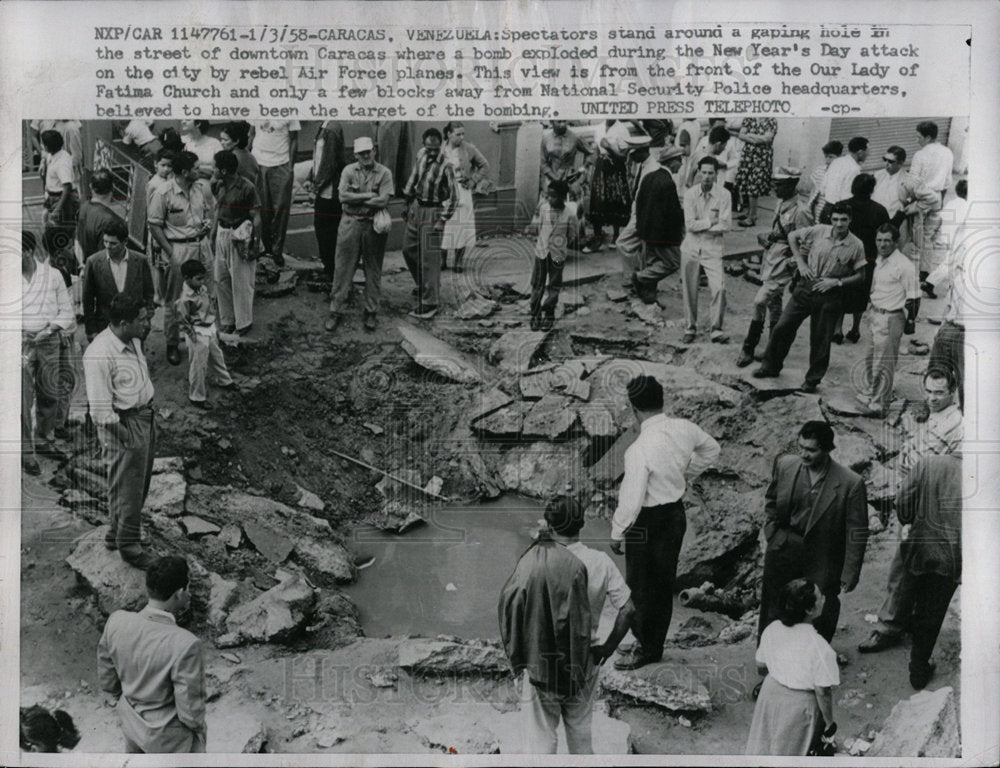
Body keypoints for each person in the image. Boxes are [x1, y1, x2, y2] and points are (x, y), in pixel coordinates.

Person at [499, 497, 635, 754]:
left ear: (549, 525)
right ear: (582, 524)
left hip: (541, 663)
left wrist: (519, 660)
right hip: (585, 659)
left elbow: (513, 605)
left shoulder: (535, 560)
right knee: (581, 733)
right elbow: (628, 610)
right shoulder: (600, 561)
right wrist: (606, 648)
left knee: (542, 737)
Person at [609, 375, 720, 670]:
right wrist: (686, 474)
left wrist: (617, 531)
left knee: (640, 586)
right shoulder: (684, 428)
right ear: (662, 400)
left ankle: (647, 647)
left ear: (634, 408)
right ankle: (650, 642)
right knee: (661, 582)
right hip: (674, 515)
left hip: (647, 519)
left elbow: (632, 498)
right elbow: (712, 449)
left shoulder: (640, 448)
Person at [858, 368, 962, 654]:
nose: (931, 398)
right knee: (913, 565)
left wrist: (910, 516)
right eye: (928, 391)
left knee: (902, 566)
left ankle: (888, 627)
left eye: (939, 392)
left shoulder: (957, 425)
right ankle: (909, 619)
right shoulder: (935, 415)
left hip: (926, 505)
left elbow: (948, 474)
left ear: (952, 392)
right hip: (913, 492)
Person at [757, 421, 868, 644]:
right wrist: (773, 534)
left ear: (827, 449)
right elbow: (771, 500)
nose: (804, 455)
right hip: (785, 546)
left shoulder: (850, 483)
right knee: (774, 605)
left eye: (811, 450)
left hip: (823, 555)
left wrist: (849, 572)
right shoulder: (786, 465)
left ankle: (814, 661)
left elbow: (857, 531)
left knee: (820, 610)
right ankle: (769, 659)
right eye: (801, 448)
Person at [753, 202, 867, 393]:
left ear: (850, 221)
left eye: (844, 220)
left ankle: (812, 380)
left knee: (821, 339)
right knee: (783, 327)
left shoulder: (856, 245)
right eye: (836, 219)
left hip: (830, 293)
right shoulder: (820, 231)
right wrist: (800, 262)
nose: (839, 224)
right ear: (831, 219)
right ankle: (770, 366)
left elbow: (861, 275)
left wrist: (837, 282)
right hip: (806, 287)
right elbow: (792, 236)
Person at [98, 555, 207, 753]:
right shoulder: (186, 643)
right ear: (179, 593)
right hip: (167, 739)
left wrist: (116, 697)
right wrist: (199, 731)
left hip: (131, 722)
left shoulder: (117, 621)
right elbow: (190, 711)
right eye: (188, 588)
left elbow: (106, 670)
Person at [83, 295, 156, 569]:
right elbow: (100, 412)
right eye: (142, 320)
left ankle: (116, 533)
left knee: (136, 484)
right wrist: (127, 437)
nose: (147, 324)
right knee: (129, 488)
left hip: (143, 416)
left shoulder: (132, 339)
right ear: (124, 323)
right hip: (123, 425)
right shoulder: (99, 353)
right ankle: (130, 547)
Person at [746, 579, 840, 756]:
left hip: (770, 694)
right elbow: (822, 692)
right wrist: (829, 724)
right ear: (809, 610)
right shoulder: (821, 648)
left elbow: (760, 663)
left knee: (763, 746)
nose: (824, 599)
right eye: (820, 597)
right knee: (792, 752)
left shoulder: (772, 629)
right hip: (799, 705)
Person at [894, 454, 962, 689]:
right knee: (934, 609)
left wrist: (910, 520)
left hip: (920, 546)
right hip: (954, 557)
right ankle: (919, 667)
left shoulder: (930, 463)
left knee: (917, 595)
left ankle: (916, 654)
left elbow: (903, 502)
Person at [737, 167, 812, 367]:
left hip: (784, 264)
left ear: (791, 185)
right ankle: (772, 348)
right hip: (772, 259)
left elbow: (807, 243)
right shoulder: (781, 204)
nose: (774, 187)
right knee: (774, 304)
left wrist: (793, 263)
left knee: (759, 301)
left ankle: (749, 346)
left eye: (779, 184)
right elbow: (778, 231)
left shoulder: (801, 211)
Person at [148, 150, 215, 366]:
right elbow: (154, 224)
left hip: (201, 246)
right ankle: (172, 344)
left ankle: (203, 337)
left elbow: (208, 214)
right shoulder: (163, 192)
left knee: (206, 293)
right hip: (179, 249)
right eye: (195, 168)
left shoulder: (201, 189)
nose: (199, 170)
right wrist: (171, 253)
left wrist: (207, 227)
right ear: (185, 172)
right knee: (175, 299)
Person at [325, 136, 394, 333]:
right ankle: (335, 310)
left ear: (374, 151)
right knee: (343, 268)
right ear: (355, 154)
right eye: (361, 153)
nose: (366, 155)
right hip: (350, 224)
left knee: (373, 269)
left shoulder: (384, 173)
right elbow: (342, 197)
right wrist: (367, 196)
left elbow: (383, 202)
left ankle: (371, 311)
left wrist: (357, 200)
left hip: (373, 226)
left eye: (368, 151)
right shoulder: (348, 171)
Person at [21, 230, 75, 472]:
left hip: (49, 339)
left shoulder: (53, 276)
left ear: (29, 251)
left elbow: (67, 312)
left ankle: (44, 438)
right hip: (20, 343)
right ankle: (24, 450)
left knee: (49, 393)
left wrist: (51, 328)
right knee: (21, 397)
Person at [854, 224, 920, 415]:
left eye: (887, 241)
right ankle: (871, 392)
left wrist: (910, 322)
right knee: (870, 358)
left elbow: (914, 297)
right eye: (879, 240)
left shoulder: (904, 266)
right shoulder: (880, 260)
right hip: (875, 314)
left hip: (891, 318)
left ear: (896, 242)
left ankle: (879, 404)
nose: (882, 244)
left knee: (884, 363)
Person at [401, 127, 457, 319]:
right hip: (417, 207)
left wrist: (442, 220)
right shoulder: (421, 155)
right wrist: (407, 202)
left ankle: (429, 303)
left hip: (433, 211)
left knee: (429, 259)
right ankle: (425, 285)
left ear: (440, 145)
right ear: (424, 145)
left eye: (435, 149)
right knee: (408, 249)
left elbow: (454, 197)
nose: (432, 152)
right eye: (428, 148)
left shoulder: (447, 165)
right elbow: (414, 178)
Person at [833, 173, 890, 344]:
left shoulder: (843, 206)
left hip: (844, 254)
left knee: (841, 290)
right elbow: (884, 234)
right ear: (872, 190)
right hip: (868, 257)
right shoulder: (879, 210)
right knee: (861, 292)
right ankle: (855, 329)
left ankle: (837, 329)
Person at [681, 155, 732, 343]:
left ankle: (716, 329)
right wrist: (711, 222)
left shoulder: (725, 195)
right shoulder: (690, 195)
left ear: (716, 174)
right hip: (691, 247)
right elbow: (689, 225)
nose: (707, 177)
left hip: (713, 249)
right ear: (699, 173)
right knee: (689, 289)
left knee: (719, 288)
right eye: (704, 172)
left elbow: (726, 225)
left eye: (711, 173)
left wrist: (701, 224)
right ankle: (690, 328)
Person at [212, 149, 261, 336]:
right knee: (221, 278)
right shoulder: (218, 185)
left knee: (241, 281)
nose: (212, 170)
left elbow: (256, 217)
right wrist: (213, 234)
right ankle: (227, 319)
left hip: (240, 235)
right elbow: (218, 210)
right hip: (222, 234)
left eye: (215, 167)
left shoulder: (247, 188)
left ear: (224, 170)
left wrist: (255, 244)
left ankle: (244, 322)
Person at [81, 219, 155, 341]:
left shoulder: (140, 261)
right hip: (105, 328)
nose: (107, 247)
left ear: (125, 241)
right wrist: (91, 330)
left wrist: (146, 319)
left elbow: (148, 292)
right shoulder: (93, 262)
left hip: (134, 327)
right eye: (105, 242)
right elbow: (87, 300)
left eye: (113, 243)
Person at [176, 259, 236, 409]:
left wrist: (213, 326)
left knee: (217, 356)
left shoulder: (201, 289)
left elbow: (209, 307)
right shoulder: (184, 299)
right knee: (199, 365)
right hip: (197, 332)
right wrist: (193, 337)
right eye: (198, 279)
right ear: (187, 278)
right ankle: (196, 396)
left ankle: (224, 380)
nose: (202, 281)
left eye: (202, 278)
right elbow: (182, 321)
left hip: (209, 328)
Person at [631, 145, 685, 305]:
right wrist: (677, 237)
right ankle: (640, 278)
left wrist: (641, 228)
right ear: (672, 162)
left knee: (652, 262)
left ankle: (647, 293)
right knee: (674, 262)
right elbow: (672, 215)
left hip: (646, 231)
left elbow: (639, 201)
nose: (681, 164)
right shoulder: (668, 183)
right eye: (679, 161)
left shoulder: (649, 176)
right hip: (661, 235)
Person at [526, 179, 579, 331]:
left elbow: (572, 235)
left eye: (554, 196)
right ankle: (535, 315)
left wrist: (560, 246)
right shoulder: (544, 209)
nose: (550, 199)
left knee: (554, 285)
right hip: (541, 252)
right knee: (537, 284)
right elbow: (541, 228)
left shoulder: (570, 214)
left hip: (557, 255)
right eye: (548, 196)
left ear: (562, 197)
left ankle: (549, 314)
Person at [440, 121, 489, 273]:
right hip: (444, 192)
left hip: (463, 191)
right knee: (445, 226)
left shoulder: (469, 148)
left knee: (461, 227)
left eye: (463, 134)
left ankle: (458, 261)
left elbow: (484, 165)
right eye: (457, 134)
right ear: (448, 134)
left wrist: (473, 181)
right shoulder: (440, 149)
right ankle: (442, 260)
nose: (461, 137)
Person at [250, 119, 300, 266]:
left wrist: (290, 167)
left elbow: (294, 140)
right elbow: (251, 134)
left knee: (281, 210)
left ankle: (277, 251)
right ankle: (264, 248)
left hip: (281, 163)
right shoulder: (256, 105)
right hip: (258, 163)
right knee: (262, 208)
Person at [615, 136, 659, 291]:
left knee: (623, 243)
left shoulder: (652, 168)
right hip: (636, 209)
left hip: (643, 212)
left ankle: (633, 277)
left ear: (642, 152)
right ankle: (640, 277)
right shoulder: (641, 165)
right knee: (640, 249)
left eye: (633, 152)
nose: (631, 156)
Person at [585, 119, 633, 253]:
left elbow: (624, 157)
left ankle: (616, 236)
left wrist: (610, 147)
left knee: (616, 199)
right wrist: (592, 170)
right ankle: (597, 237)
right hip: (601, 166)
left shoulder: (622, 129)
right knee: (597, 200)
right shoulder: (599, 128)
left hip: (616, 168)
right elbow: (595, 151)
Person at [306, 120, 346, 281]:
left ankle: (332, 271)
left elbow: (330, 162)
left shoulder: (332, 128)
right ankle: (330, 269)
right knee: (324, 232)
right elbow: (318, 159)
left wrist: (316, 188)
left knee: (327, 232)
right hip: (324, 189)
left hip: (329, 192)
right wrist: (311, 177)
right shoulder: (325, 125)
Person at [39, 129, 80, 263]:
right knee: (48, 225)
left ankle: (67, 260)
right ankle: (53, 254)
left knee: (62, 231)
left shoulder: (62, 162)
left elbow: (67, 186)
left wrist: (57, 209)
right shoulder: (53, 154)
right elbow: (45, 157)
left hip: (62, 198)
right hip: (51, 196)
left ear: (47, 146)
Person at [75, 168, 127, 264]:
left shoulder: (83, 208)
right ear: (113, 188)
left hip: (86, 265)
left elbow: (77, 241)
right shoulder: (112, 220)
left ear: (91, 187)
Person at [734, 117, 777, 227]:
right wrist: (757, 139)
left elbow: (767, 139)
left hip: (762, 157)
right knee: (747, 183)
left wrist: (750, 136)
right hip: (748, 155)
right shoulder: (749, 118)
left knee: (754, 185)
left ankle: (752, 217)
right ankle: (749, 212)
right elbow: (741, 135)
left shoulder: (771, 120)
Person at [819, 137, 867, 224]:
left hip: (826, 210)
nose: (868, 154)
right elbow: (848, 197)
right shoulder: (854, 170)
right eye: (867, 151)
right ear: (860, 153)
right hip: (838, 214)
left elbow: (823, 189)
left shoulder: (836, 162)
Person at [910, 121, 955, 205]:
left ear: (928, 138)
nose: (916, 140)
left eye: (919, 137)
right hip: (938, 197)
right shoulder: (948, 152)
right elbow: (948, 181)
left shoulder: (919, 155)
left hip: (922, 198)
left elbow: (913, 181)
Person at [806, 141, 843, 224]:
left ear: (839, 157)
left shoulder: (840, 174)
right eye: (826, 157)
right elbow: (813, 190)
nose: (827, 160)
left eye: (831, 157)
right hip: (814, 207)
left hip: (827, 210)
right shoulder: (820, 170)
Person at [219, 121, 260, 187]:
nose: (221, 142)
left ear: (236, 141)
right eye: (221, 139)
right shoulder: (246, 153)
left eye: (225, 140)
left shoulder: (233, 158)